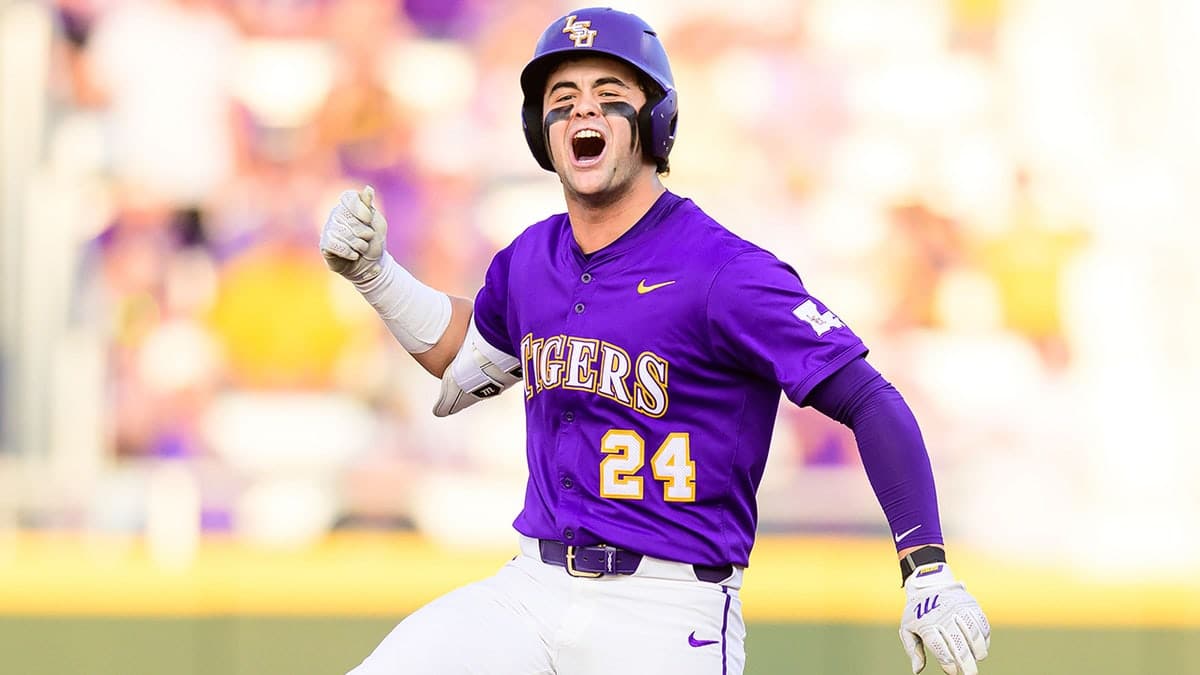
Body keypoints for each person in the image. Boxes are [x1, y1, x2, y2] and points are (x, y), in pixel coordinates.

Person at [320, 7, 990, 675]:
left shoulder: (724, 271)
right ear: (539, 129)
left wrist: (926, 566)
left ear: (655, 122)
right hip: (531, 589)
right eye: (563, 98)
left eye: (611, 96)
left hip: (667, 608)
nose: (585, 112)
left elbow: (868, 398)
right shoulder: (531, 258)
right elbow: (470, 362)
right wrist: (377, 276)